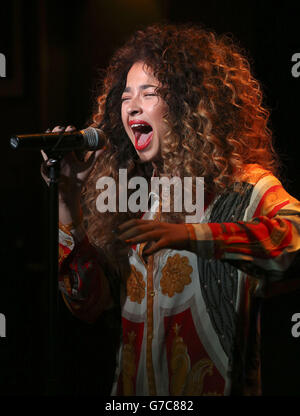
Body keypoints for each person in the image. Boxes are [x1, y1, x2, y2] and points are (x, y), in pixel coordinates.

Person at [42, 23, 300, 396]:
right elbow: (88, 303)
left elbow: (293, 239)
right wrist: (66, 200)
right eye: (126, 95)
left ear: (189, 103)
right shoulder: (134, 198)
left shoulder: (243, 188)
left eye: (149, 94)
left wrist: (192, 235)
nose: (132, 106)